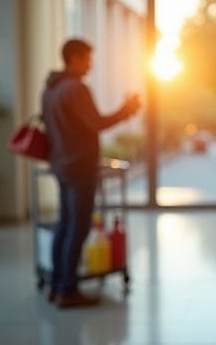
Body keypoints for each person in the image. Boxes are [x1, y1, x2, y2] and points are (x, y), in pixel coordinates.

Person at [42, 38, 141, 308]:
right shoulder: (76, 89)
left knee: (64, 225)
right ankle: (67, 290)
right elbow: (96, 123)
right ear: (73, 58)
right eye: (87, 58)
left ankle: (56, 285)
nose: (90, 64)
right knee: (78, 226)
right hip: (79, 167)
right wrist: (126, 111)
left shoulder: (51, 89)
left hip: (61, 165)